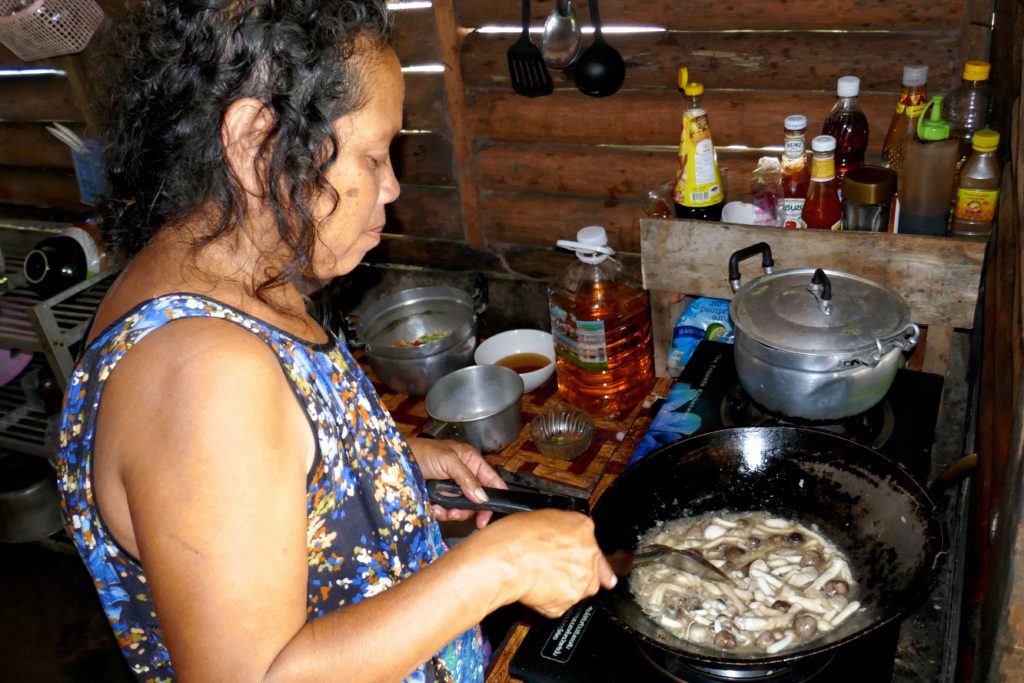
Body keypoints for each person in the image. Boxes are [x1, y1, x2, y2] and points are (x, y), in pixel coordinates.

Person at [55, 2, 616, 681]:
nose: (392, 186)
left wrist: (381, 463)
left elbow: (254, 478)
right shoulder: (204, 372)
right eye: (374, 155)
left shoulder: (239, 278)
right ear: (255, 143)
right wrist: (498, 565)